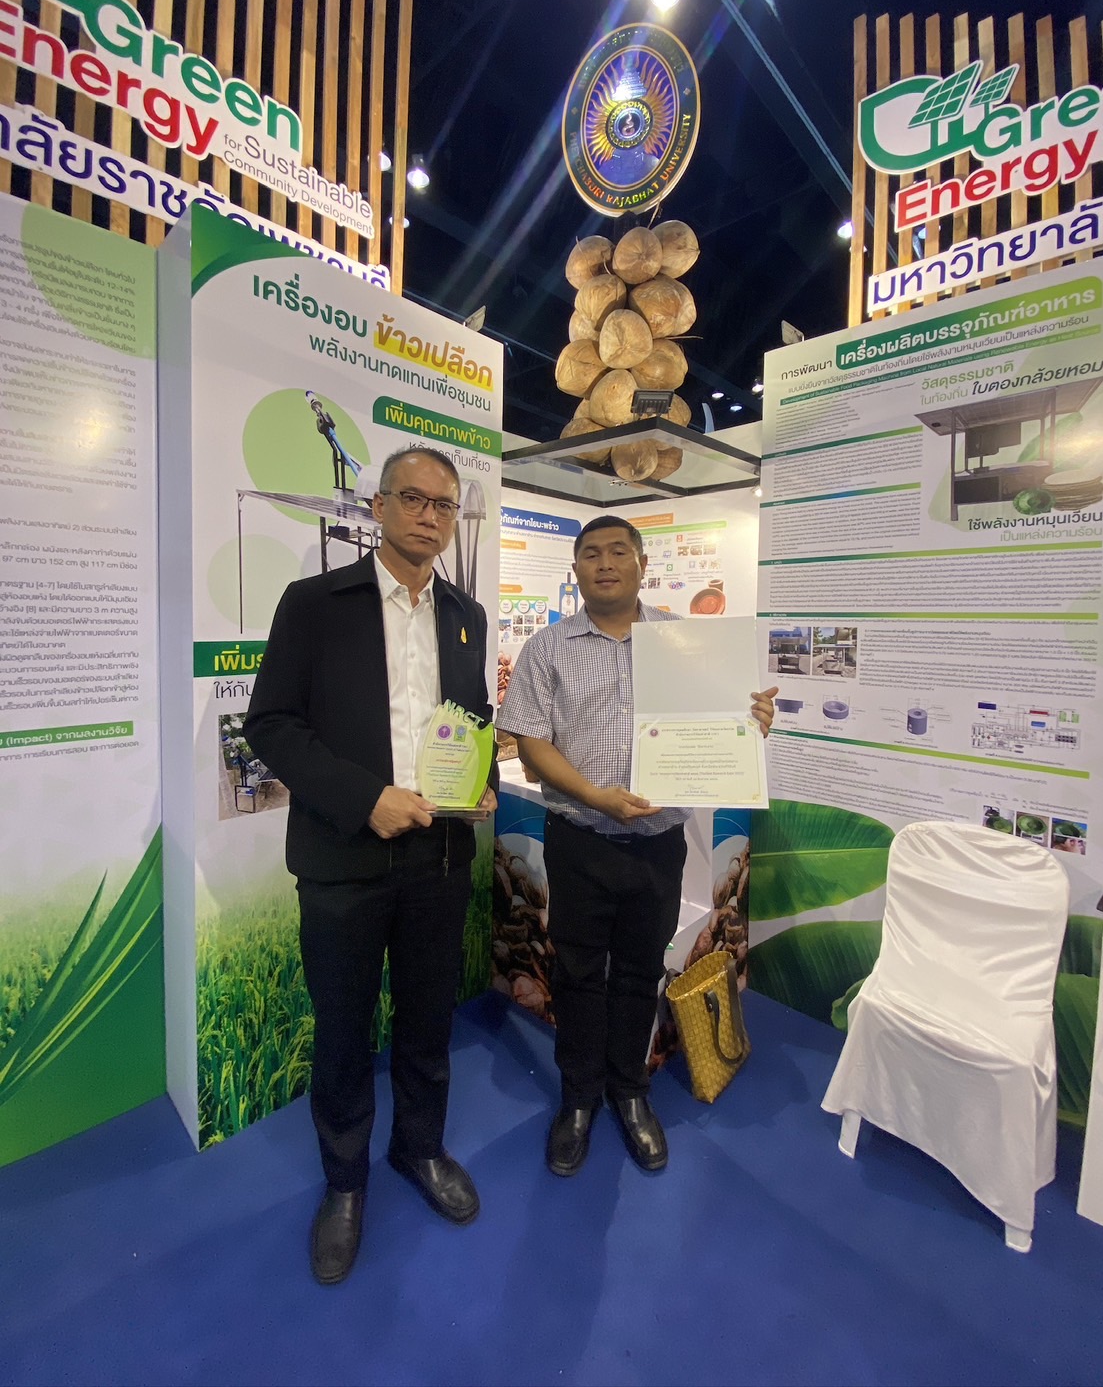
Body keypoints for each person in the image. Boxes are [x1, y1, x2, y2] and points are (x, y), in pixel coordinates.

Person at [244, 445, 497, 1285]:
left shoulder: (465, 614)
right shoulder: (315, 603)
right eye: (413, 499)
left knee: (427, 1022)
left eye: (443, 505)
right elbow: (271, 723)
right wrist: (365, 798)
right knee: (344, 1029)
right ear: (379, 507)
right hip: (343, 856)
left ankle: (418, 1149)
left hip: (438, 855)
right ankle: (345, 1180)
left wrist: (483, 782)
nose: (429, 516)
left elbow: (471, 719)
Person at [496, 516, 775, 1177]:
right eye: (590, 553)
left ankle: (629, 1089)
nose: (604, 562)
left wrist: (749, 724)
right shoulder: (548, 648)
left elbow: (720, 722)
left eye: (618, 551)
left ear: (642, 564)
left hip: (657, 843)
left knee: (638, 971)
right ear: (575, 569)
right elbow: (531, 742)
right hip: (579, 839)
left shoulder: (683, 644)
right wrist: (596, 796)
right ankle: (577, 1097)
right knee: (576, 973)